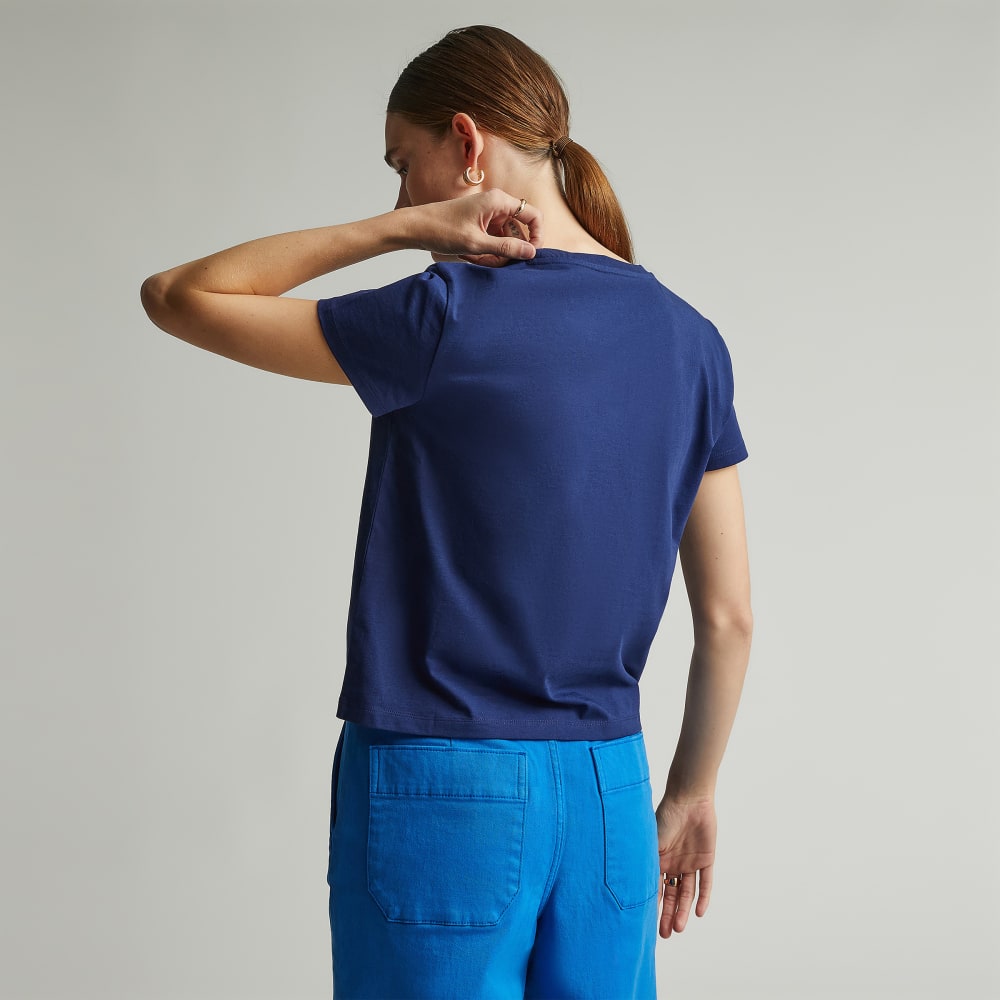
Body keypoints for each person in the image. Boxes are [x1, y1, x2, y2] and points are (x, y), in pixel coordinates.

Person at [140, 24, 753, 1000]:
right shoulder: (693, 342)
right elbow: (728, 619)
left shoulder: (444, 314)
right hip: (610, 796)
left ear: (465, 143)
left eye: (401, 166)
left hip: (444, 785)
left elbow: (178, 294)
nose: (401, 197)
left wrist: (401, 233)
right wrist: (692, 792)